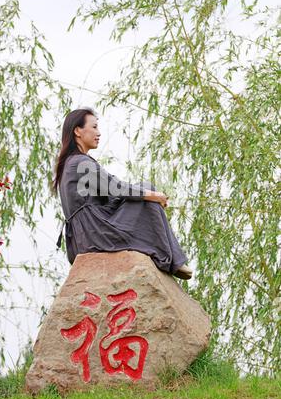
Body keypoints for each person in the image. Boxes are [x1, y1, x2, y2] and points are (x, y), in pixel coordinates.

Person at [52, 108, 192, 280]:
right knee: (147, 191)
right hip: (94, 233)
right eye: (94, 127)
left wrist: (146, 194)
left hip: (84, 237)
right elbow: (115, 187)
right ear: (77, 131)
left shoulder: (71, 163)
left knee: (144, 193)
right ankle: (172, 259)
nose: (99, 133)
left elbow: (113, 194)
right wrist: (152, 195)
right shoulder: (80, 163)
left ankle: (171, 258)